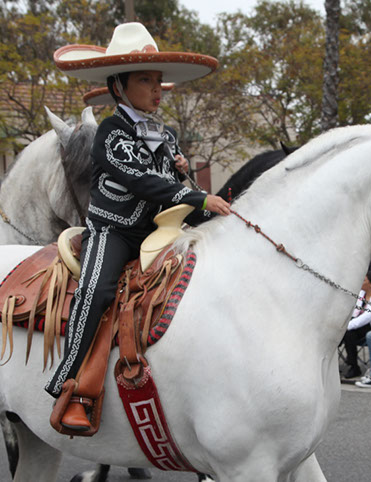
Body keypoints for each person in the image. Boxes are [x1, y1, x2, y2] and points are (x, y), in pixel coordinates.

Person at [45, 23, 230, 430]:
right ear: (118, 87)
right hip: (115, 231)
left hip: (159, 231)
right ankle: (69, 379)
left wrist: (195, 188)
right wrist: (197, 197)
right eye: (145, 79)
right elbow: (143, 180)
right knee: (98, 290)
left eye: (158, 80)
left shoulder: (165, 133)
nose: (157, 88)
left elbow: (173, 188)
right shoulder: (111, 131)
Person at [340, 272, 371, 379]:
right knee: (342, 334)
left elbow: (366, 317)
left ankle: (353, 366)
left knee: (348, 333)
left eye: (364, 280)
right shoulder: (361, 294)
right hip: (359, 325)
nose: (361, 282)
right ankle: (350, 365)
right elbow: (355, 312)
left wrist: (346, 326)